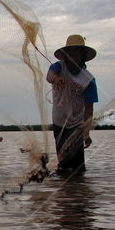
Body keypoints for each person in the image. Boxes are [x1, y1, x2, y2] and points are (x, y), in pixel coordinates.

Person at [46, 34, 97, 175]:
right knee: (63, 164)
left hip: (77, 124)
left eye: (77, 53)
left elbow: (89, 109)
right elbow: (49, 76)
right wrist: (57, 79)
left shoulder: (88, 80)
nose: (74, 56)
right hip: (59, 122)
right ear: (66, 55)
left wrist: (86, 132)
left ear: (83, 56)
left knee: (78, 168)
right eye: (71, 52)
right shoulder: (58, 67)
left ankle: (76, 192)